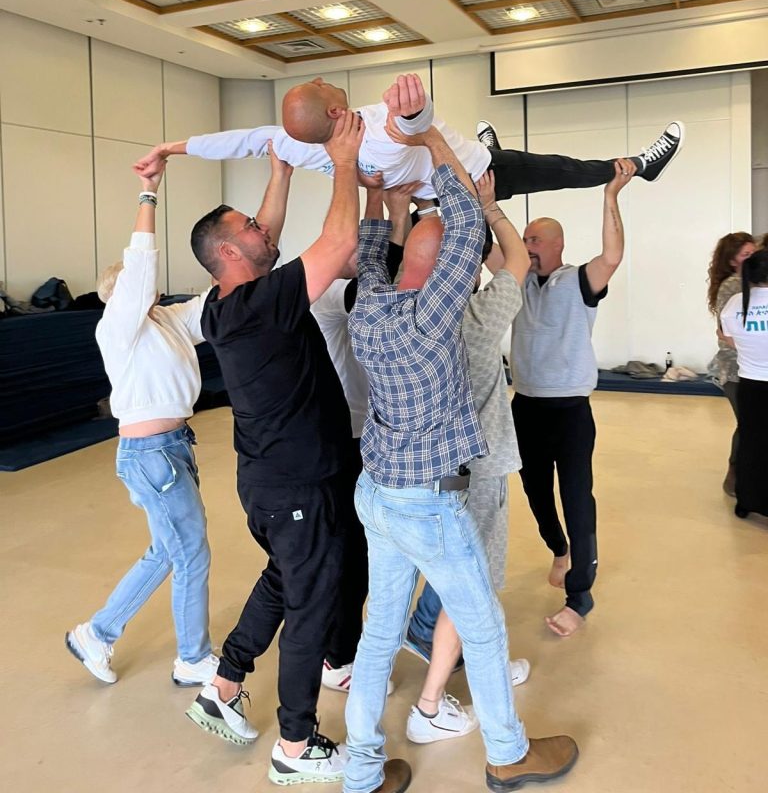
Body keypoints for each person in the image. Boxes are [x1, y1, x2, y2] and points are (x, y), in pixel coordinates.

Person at [345, 110, 578, 793]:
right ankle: (507, 754)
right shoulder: (443, 320)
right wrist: (427, 139)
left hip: (376, 496)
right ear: (448, 267)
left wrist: (376, 191)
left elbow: (369, 252)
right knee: (483, 630)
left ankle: (362, 772)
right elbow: (475, 234)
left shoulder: (371, 309)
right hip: (429, 504)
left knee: (378, 635)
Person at [184, 120, 365, 787]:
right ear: (233, 252)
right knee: (311, 604)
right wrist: (342, 161)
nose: (266, 233)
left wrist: (282, 174)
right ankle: (296, 744)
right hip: (297, 485)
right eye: (254, 231)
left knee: (285, 582)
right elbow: (339, 240)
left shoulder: (221, 303)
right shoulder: (266, 302)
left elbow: (258, 238)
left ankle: (224, 684)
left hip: (265, 484)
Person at [66, 160, 217, 688]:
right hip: (152, 456)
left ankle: (97, 633)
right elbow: (142, 265)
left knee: (167, 550)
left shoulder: (165, 321)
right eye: (137, 285)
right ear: (124, 292)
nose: (147, 289)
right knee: (191, 553)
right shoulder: (118, 328)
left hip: (172, 449)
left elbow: (209, 305)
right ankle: (194, 657)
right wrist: (148, 195)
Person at [403, 170, 533, 745]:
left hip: (412, 472)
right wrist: (488, 207)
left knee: (421, 575)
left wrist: (387, 201)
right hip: (477, 472)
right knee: (473, 582)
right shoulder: (480, 318)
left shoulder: (392, 315)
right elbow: (521, 259)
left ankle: (435, 647)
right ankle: (431, 703)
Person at [133, 75, 684, 202]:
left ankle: (485, 138)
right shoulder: (382, 135)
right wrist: (416, 111)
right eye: (323, 84)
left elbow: (241, 140)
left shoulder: (298, 141)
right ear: (333, 105)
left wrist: (170, 149)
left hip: (426, 192)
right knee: (564, 171)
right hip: (478, 176)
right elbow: (411, 129)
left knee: (468, 141)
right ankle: (636, 165)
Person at [510, 159, 636, 638]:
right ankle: (558, 549)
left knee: (576, 497)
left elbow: (613, 254)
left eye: (534, 241)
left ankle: (580, 596)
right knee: (536, 492)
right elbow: (492, 248)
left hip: (570, 411)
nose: (527, 247)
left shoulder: (580, 282)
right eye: (525, 241)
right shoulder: (518, 278)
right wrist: (486, 194)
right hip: (526, 405)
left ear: (557, 244)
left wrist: (610, 197)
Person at [310, 176, 416, 697]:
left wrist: (384, 201)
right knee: (349, 550)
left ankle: (349, 645)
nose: (365, 254)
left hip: (361, 434)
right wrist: (392, 211)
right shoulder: (334, 295)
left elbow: (383, 265)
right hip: (344, 438)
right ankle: (338, 656)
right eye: (357, 246)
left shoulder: (346, 289)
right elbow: (383, 268)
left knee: (365, 547)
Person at [706, 232, 756, 496]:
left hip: (754, 368)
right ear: (732, 260)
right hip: (735, 370)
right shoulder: (732, 287)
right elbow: (729, 337)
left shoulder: (755, 283)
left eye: (753, 253)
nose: (752, 259)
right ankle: (734, 476)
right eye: (745, 255)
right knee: (748, 424)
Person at [720, 248, 768, 519]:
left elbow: (727, 337)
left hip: (749, 385)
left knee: (751, 443)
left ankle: (746, 500)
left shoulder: (735, 303)